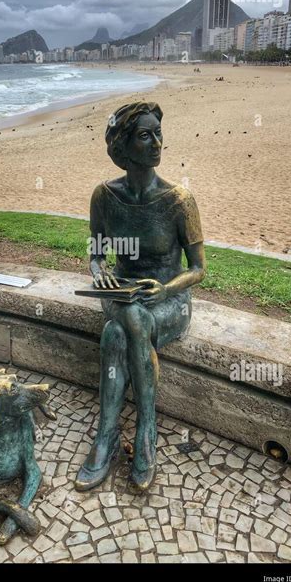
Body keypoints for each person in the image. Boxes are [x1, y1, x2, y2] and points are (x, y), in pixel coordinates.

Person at [74, 102, 206, 494]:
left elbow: (198, 270)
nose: (156, 143)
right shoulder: (104, 196)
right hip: (121, 292)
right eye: (145, 135)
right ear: (123, 145)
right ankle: (138, 434)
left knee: (118, 333)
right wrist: (99, 274)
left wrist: (165, 289)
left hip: (168, 299)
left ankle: (116, 434)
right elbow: (97, 254)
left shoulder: (179, 199)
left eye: (158, 134)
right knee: (129, 317)